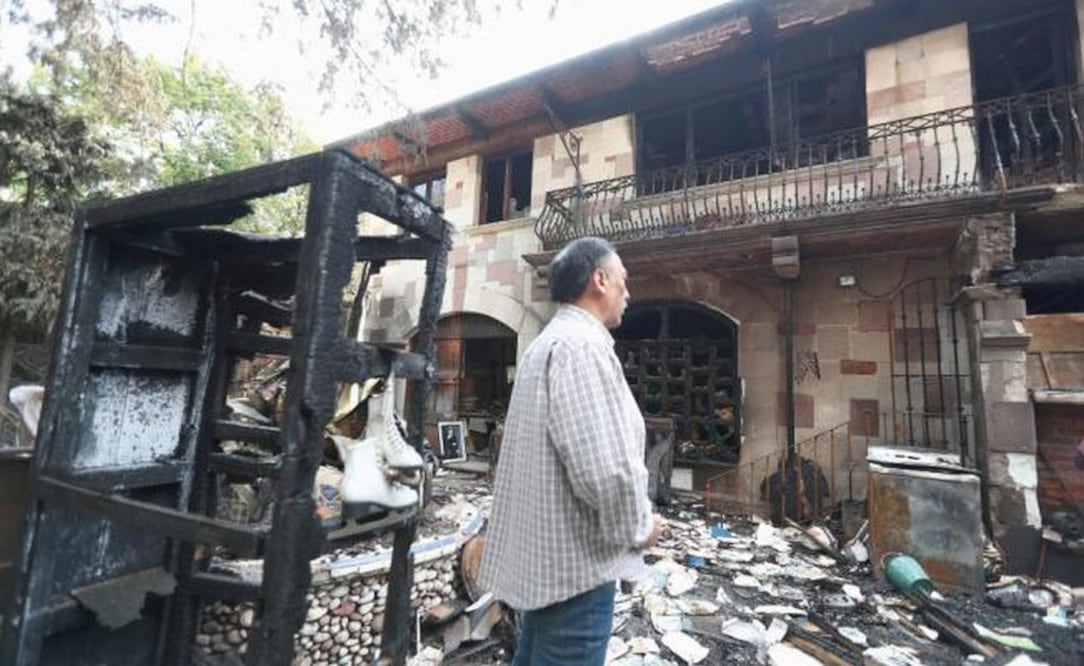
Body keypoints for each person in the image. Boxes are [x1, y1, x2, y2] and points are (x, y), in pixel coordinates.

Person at [479, 236, 663, 665]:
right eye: (623, 280)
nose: (628, 292)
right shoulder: (582, 347)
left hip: (547, 561)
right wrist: (640, 529)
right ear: (599, 280)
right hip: (577, 573)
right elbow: (605, 469)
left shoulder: (548, 343)